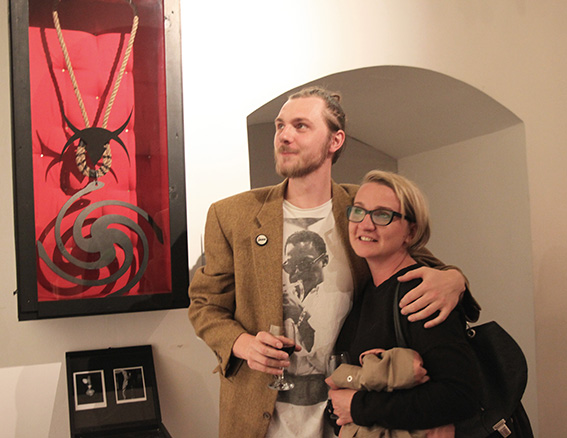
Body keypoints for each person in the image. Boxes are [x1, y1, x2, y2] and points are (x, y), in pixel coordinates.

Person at [188, 86, 479, 438]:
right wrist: (241, 343)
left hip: (348, 414)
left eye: (300, 125)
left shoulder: (362, 207)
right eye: (280, 125)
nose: (284, 135)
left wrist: (455, 279)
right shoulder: (232, 215)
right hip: (257, 414)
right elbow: (205, 305)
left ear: (335, 140)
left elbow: (421, 261)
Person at [327, 170, 481, 437]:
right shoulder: (365, 291)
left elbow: (460, 395)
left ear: (411, 232)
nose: (365, 224)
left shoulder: (421, 292)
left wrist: (358, 406)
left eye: (382, 215)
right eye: (359, 211)